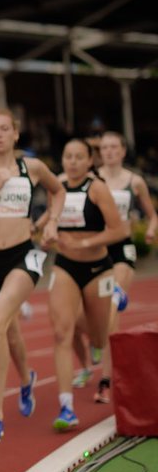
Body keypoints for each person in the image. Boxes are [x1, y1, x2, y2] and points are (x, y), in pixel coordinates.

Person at [0, 108, 65, 443]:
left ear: (15, 134)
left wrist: (51, 221)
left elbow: (58, 191)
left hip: (23, 256)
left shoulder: (30, 167)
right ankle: (26, 379)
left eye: (5, 129)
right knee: (8, 330)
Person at [40, 139, 126, 432]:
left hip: (97, 268)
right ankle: (66, 405)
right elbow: (48, 218)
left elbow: (119, 229)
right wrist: (44, 231)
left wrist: (86, 241)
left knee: (101, 338)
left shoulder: (96, 188)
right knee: (62, 331)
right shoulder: (58, 187)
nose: (73, 161)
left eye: (79, 157)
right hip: (65, 265)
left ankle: (112, 303)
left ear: (90, 161)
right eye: (68, 156)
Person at [95, 130, 158, 403]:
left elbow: (152, 215)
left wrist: (151, 230)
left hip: (122, 250)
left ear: (122, 151)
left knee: (111, 309)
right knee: (90, 318)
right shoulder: (92, 178)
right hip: (96, 250)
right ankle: (95, 340)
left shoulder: (135, 181)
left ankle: (107, 380)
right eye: (104, 148)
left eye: (113, 147)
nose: (109, 152)